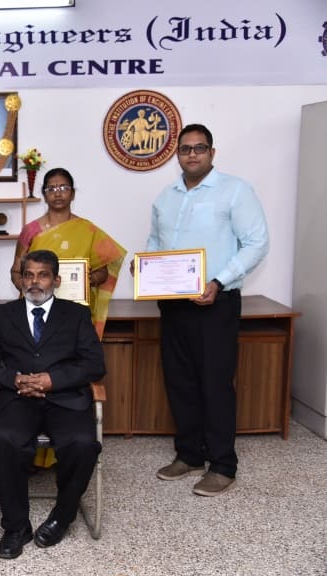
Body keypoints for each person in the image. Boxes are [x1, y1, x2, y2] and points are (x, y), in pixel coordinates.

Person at [142, 124, 268, 496]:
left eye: (199, 148)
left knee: (215, 383)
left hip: (216, 302)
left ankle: (223, 465)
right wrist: (145, 267)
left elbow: (257, 243)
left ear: (212, 152)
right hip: (173, 304)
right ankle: (189, 454)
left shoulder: (235, 191)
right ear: (177, 155)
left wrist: (219, 281)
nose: (192, 154)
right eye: (185, 149)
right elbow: (156, 241)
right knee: (179, 380)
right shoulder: (166, 197)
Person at [0, 250, 105, 559]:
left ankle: (62, 515)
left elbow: (95, 365)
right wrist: (15, 378)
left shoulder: (76, 314)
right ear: (21, 280)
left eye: (43, 275)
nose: (35, 282)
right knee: (4, 439)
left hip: (65, 399)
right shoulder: (4, 314)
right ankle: (16, 526)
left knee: (83, 444)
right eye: (28, 275)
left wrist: (52, 380)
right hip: (18, 398)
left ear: (56, 280)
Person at [12, 167, 126, 340]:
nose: (58, 193)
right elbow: (16, 271)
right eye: (51, 189)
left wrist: (88, 279)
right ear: (44, 195)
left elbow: (103, 272)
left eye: (64, 188)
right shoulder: (30, 231)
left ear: (72, 194)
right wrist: (29, 286)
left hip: (76, 311)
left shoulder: (88, 230)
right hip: (38, 312)